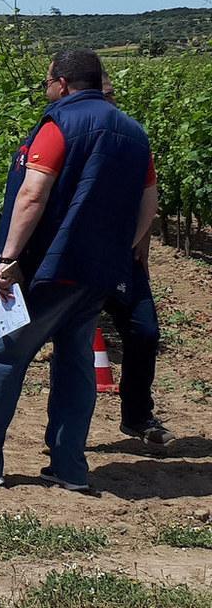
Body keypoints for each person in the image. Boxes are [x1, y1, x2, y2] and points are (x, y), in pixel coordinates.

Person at [0, 49, 156, 491]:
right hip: (99, 273)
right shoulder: (133, 132)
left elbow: (33, 194)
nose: (47, 90)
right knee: (75, 364)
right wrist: (121, 248)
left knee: (3, 356)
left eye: (49, 82)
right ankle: (69, 467)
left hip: (50, 270)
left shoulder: (60, 124)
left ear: (64, 83)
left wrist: (9, 259)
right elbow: (149, 201)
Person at [98, 72, 171, 446]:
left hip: (125, 257)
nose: (110, 102)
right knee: (67, 341)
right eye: (103, 95)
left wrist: (141, 240)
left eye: (112, 95)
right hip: (81, 258)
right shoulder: (68, 134)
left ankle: (137, 416)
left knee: (145, 332)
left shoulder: (132, 138)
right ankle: (63, 432)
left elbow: (149, 192)